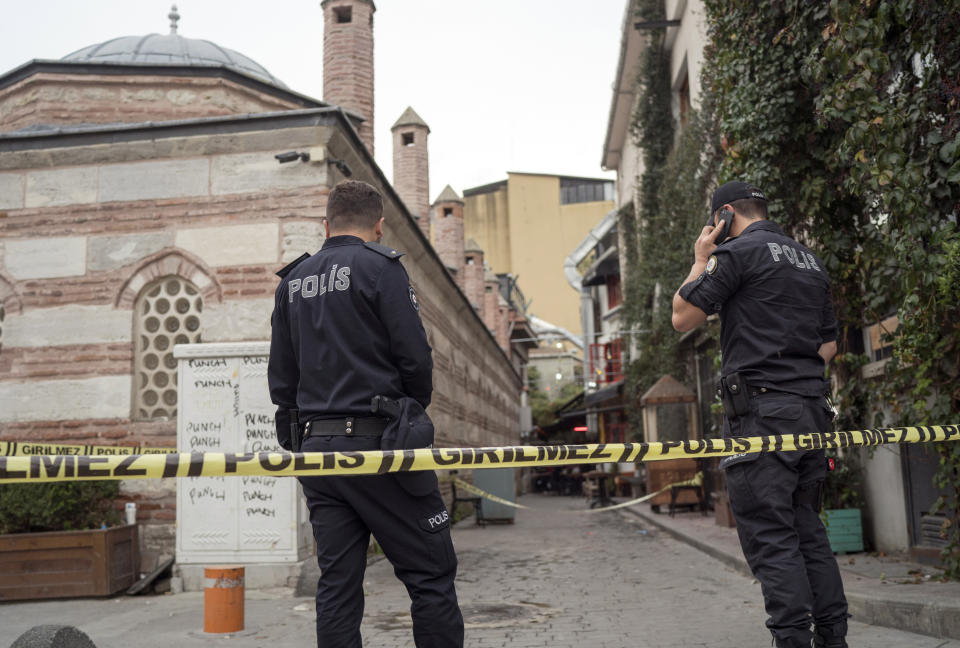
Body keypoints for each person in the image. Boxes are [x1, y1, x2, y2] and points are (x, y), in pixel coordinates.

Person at [268, 179, 464, 648]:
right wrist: (409, 413)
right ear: (378, 226)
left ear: (326, 223)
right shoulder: (382, 268)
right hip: (383, 449)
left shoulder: (293, 282)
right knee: (431, 574)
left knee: (336, 587)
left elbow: (282, 376)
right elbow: (415, 360)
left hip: (318, 454)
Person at [671, 181, 849, 648]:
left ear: (726, 214)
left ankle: (792, 641)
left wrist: (699, 257)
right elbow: (828, 345)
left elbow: (684, 317)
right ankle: (834, 639)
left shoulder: (736, 254)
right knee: (808, 529)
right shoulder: (809, 261)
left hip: (761, 416)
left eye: (715, 223)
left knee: (771, 537)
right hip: (812, 415)